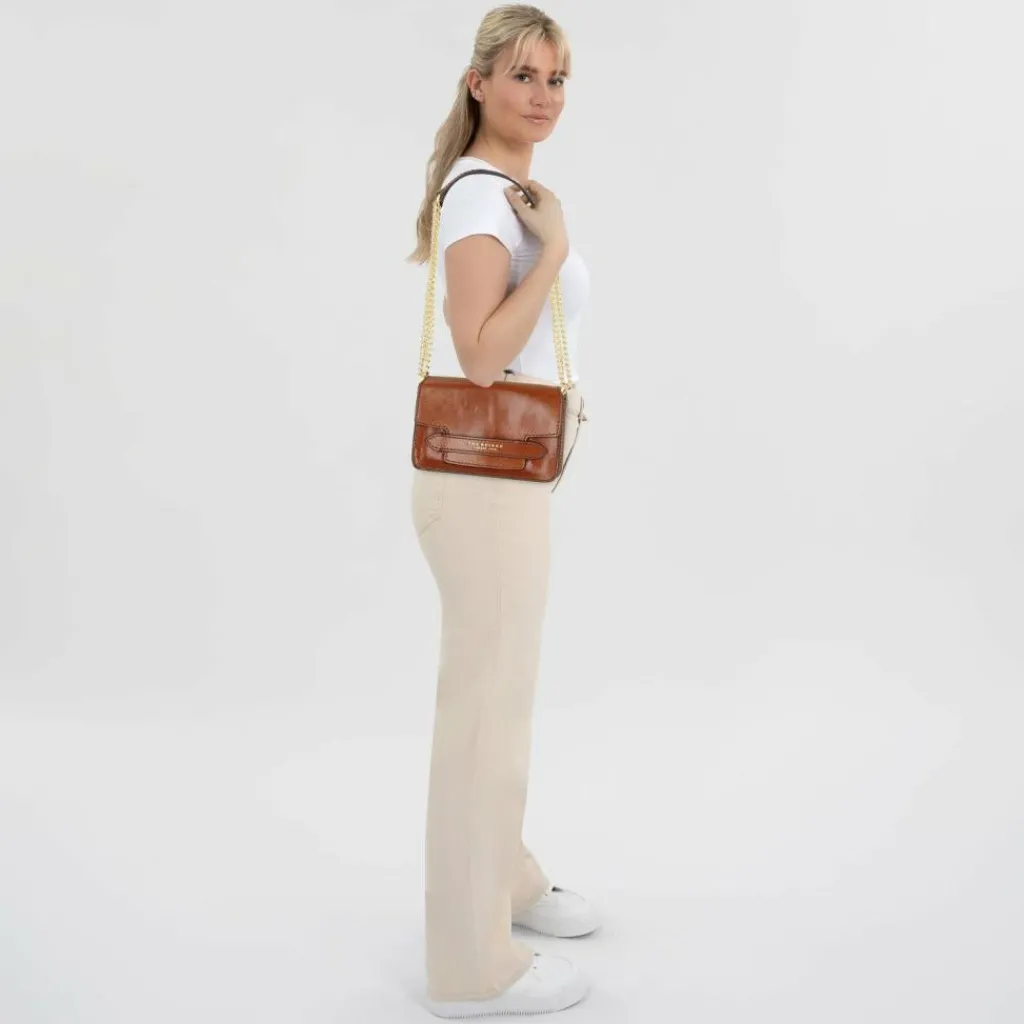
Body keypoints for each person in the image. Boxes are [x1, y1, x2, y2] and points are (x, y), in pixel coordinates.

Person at [406, 4, 598, 1019]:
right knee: (484, 716)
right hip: (483, 490)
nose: (544, 95)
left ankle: (507, 880)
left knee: (500, 701)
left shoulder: (499, 190)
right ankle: (470, 965)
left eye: (557, 78)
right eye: (523, 74)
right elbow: (481, 356)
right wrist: (553, 249)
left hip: (502, 485)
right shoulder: (486, 199)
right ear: (478, 83)